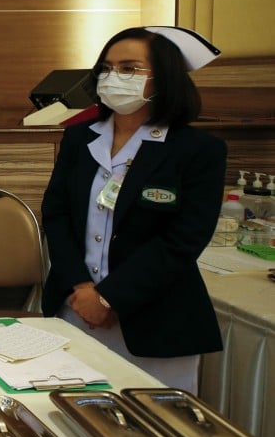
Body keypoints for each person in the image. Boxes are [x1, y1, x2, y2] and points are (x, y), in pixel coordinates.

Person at [41, 26, 227, 393]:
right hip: (76, 308)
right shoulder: (81, 138)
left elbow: (182, 241)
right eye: (107, 68)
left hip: (156, 320)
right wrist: (82, 289)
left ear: (165, 77)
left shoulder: (197, 150)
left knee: (154, 424)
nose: (113, 78)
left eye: (129, 69)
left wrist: (110, 298)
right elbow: (56, 213)